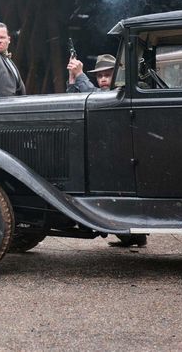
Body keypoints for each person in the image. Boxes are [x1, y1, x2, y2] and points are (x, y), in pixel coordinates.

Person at [65, 53, 147, 247]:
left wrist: (81, 75)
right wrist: (72, 80)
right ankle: (130, 236)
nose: (103, 79)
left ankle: (133, 234)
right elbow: (72, 100)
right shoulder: (96, 88)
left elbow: (96, 99)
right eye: (100, 75)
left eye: (108, 75)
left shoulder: (119, 92)